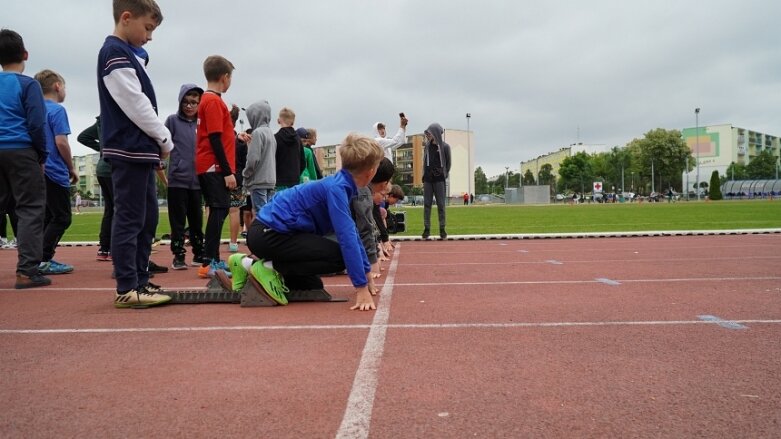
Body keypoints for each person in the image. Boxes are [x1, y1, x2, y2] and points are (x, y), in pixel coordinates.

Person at [239, 133, 384, 311]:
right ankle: (267, 267)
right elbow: (347, 239)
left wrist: (367, 273)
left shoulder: (342, 185)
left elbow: (352, 233)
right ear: (371, 172)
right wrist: (361, 288)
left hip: (273, 233)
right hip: (268, 235)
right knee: (340, 257)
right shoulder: (337, 189)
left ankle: (244, 264)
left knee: (311, 285)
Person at [97, 0, 172, 307]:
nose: (149, 37)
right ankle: (127, 286)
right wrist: (164, 138)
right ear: (127, 18)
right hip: (127, 149)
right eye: (148, 28)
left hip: (139, 150)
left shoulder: (129, 54)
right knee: (129, 218)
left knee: (148, 217)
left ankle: (140, 278)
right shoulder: (114, 52)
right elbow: (135, 104)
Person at [0, 29, 51, 289]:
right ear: (25, 54)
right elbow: (36, 124)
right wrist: (41, 155)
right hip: (21, 150)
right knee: (30, 208)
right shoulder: (28, 84)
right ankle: (27, 271)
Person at [195, 55, 236, 279]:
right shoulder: (212, 101)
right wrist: (227, 170)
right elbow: (214, 139)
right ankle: (208, 261)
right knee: (218, 210)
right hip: (213, 166)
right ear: (224, 77)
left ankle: (212, 259)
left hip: (213, 164)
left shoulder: (212, 101)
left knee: (219, 210)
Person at [35, 69, 77, 275]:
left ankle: (35, 258)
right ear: (57, 86)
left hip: (36, 168)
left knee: (46, 216)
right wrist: (71, 167)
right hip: (54, 169)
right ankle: (43, 258)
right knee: (62, 217)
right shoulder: (57, 110)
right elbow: (61, 141)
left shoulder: (32, 109)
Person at [164, 83, 205, 270]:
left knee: (197, 220)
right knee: (177, 221)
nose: (189, 106)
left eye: (194, 102)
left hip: (197, 181)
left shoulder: (202, 124)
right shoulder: (172, 121)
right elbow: (163, 144)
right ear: (180, 102)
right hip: (177, 180)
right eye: (186, 102)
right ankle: (178, 255)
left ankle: (199, 253)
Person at [351, 158, 395, 288]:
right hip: (298, 230)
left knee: (353, 246)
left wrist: (376, 252)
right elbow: (365, 228)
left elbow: (368, 228)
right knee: (350, 249)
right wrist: (372, 264)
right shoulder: (362, 191)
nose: (384, 196)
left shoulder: (359, 186)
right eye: (383, 194)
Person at [77, 116, 113, 261]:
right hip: (115, 169)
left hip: (102, 169)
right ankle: (116, 249)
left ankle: (104, 248)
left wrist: (102, 149)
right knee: (122, 210)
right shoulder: (116, 118)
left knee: (111, 209)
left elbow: (82, 137)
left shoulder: (102, 121)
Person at [243, 99, 276, 217]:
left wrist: (245, 175)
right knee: (269, 214)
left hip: (258, 181)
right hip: (270, 181)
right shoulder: (270, 133)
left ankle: (262, 235)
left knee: (261, 215)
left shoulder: (257, 133)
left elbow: (253, 159)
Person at [421, 123, 451, 240]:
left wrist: (443, 173)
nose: (428, 135)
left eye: (430, 133)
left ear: (436, 133)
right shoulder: (427, 147)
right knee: (427, 205)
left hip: (439, 180)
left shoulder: (445, 147)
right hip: (428, 180)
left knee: (441, 205)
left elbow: (448, 163)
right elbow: (424, 161)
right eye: (427, 133)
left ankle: (442, 229)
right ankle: (427, 229)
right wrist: (424, 175)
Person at [228, 104, 250, 253]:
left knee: (212, 209)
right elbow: (246, 162)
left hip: (219, 177)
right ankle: (233, 243)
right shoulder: (240, 141)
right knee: (234, 211)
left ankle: (213, 241)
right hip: (237, 178)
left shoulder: (221, 138)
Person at [274, 107, 305, 191]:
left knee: (281, 203)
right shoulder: (298, 139)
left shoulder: (275, 138)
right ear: (293, 122)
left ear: (278, 120)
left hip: (279, 181)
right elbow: (303, 162)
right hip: (295, 181)